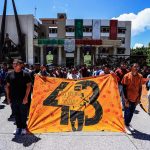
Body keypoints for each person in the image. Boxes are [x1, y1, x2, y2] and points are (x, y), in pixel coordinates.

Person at [6, 59, 32, 135]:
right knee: (16, 113)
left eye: (16, 64)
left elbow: (29, 86)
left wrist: (26, 97)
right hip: (13, 99)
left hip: (23, 99)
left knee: (23, 114)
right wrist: (8, 98)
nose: (14, 65)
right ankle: (18, 127)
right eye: (13, 63)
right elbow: (7, 86)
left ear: (21, 65)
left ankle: (24, 127)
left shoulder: (26, 74)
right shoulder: (9, 74)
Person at [122, 63, 143, 134]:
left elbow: (140, 88)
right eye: (135, 67)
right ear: (131, 68)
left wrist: (139, 98)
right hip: (128, 98)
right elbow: (124, 88)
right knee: (127, 112)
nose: (136, 68)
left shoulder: (140, 76)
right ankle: (125, 125)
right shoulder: (126, 76)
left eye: (137, 67)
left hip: (135, 98)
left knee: (131, 113)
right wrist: (126, 99)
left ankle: (128, 123)